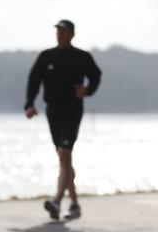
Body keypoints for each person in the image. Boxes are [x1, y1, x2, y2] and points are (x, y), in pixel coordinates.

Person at [24, 19, 102, 221]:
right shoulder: (46, 56)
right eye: (58, 31)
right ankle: (75, 204)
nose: (60, 34)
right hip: (53, 111)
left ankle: (57, 200)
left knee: (64, 152)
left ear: (72, 34)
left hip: (73, 110)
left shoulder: (81, 57)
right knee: (63, 158)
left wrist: (87, 90)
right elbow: (34, 79)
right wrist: (29, 104)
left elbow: (96, 75)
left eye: (64, 31)